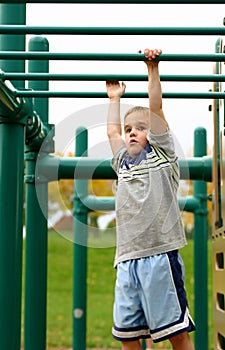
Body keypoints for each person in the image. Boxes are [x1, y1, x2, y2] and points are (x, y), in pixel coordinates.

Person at [106, 48, 195, 350]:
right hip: (127, 259)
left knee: (177, 334)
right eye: (129, 129)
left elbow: (155, 109)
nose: (132, 133)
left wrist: (152, 70)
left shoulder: (163, 156)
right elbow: (112, 132)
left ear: (153, 134)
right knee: (128, 337)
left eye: (140, 129)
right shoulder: (122, 163)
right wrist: (115, 100)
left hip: (160, 255)